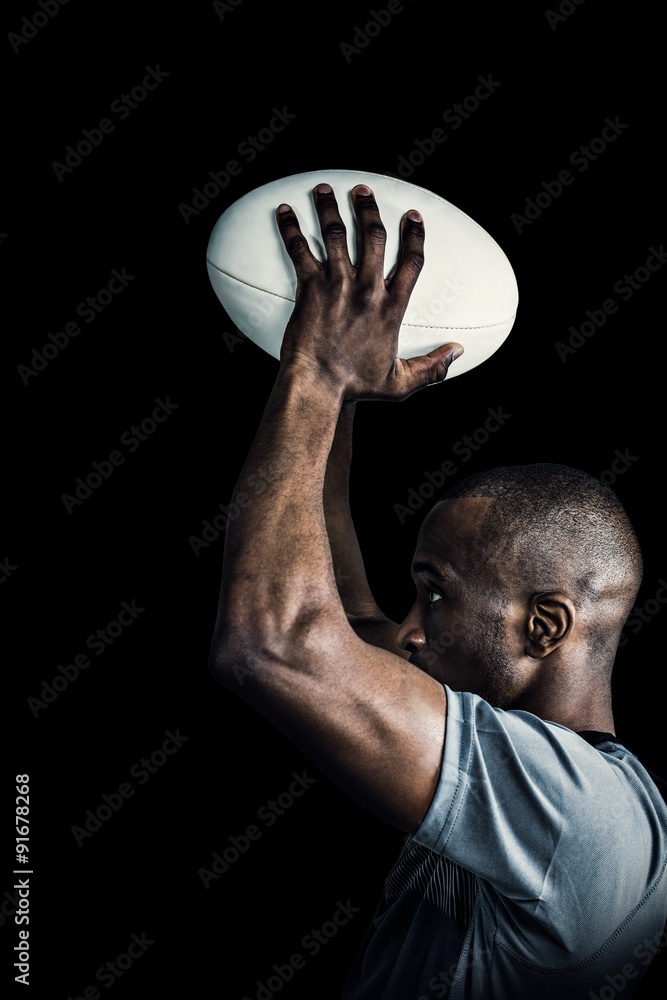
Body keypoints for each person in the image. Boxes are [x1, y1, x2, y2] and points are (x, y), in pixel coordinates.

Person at [208, 181, 667, 998]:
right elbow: (340, 622)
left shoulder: (575, 812)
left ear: (545, 625)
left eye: (437, 594)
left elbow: (272, 643)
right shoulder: (536, 766)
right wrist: (341, 394)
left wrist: (313, 371)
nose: (408, 629)